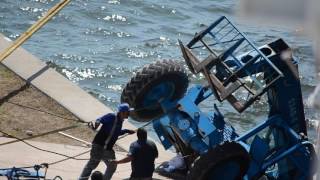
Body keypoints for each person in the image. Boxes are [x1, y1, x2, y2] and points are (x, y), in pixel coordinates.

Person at [79, 103, 135, 180]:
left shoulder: (120, 120)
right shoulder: (111, 116)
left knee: (112, 165)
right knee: (92, 165)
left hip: (108, 149)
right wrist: (96, 125)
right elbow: (99, 120)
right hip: (99, 146)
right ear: (123, 112)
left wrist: (126, 131)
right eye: (128, 112)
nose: (129, 114)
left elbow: (116, 132)